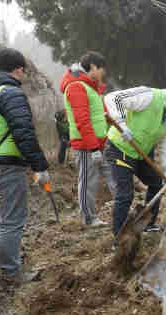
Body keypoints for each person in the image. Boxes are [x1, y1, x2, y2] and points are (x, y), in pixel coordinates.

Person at [0, 48, 50, 284]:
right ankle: (11, 273)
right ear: (18, 69)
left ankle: (0, 264)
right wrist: (39, 166)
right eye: (23, 71)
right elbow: (24, 134)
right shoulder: (10, 93)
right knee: (13, 219)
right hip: (7, 167)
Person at [104, 79, 166, 236]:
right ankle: (119, 236)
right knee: (125, 193)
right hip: (120, 149)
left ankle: (148, 224)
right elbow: (114, 98)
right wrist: (122, 124)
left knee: (157, 183)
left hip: (140, 154)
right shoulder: (149, 96)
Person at [60, 51, 116, 227]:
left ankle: (124, 209)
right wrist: (92, 149)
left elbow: (99, 115)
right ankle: (89, 218)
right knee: (88, 182)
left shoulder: (90, 86)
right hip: (86, 146)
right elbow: (82, 120)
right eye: (101, 69)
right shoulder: (76, 87)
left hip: (101, 143)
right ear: (92, 66)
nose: (103, 74)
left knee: (114, 175)